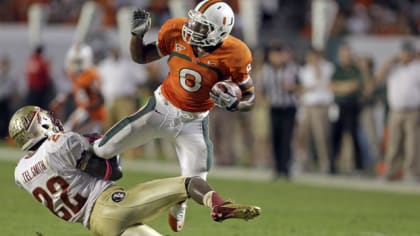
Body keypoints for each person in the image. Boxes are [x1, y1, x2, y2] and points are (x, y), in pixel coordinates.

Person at [93, 0, 256, 232]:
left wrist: (235, 104)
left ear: (220, 31)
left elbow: (250, 98)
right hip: (160, 108)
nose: (192, 29)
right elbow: (142, 57)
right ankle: (90, 185)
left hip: (194, 122)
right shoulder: (177, 30)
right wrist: (136, 36)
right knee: (102, 150)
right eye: (194, 22)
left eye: (202, 26)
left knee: (196, 179)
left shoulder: (236, 53)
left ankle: (181, 205)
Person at [9, 105, 261, 236]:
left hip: (96, 227)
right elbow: (113, 172)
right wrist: (107, 146)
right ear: (41, 124)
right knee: (189, 182)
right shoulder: (59, 144)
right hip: (110, 205)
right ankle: (218, 204)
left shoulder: (21, 173)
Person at [377, 41, 420, 182]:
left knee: (412, 143)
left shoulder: (417, 67)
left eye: (408, 53)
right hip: (396, 110)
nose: (405, 55)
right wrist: (390, 60)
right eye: (403, 52)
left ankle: (411, 172)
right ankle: (390, 171)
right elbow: (378, 76)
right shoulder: (393, 67)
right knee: (393, 142)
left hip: (413, 110)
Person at [259, 43, 300, 179]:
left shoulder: (292, 69)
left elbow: (301, 86)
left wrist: (292, 88)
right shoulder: (267, 70)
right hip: (274, 107)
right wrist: (264, 101)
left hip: (289, 108)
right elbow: (261, 88)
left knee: (286, 138)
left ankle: (286, 168)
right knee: (275, 137)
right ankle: (277, 168)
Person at [51, 43, 106, 134]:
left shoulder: (91, 74)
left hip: (94, 116)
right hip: (83, 112)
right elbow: (78, 91)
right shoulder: (75, 75)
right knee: (68, 133)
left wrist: (85, 110)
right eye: (74, 61)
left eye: (78, 62)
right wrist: (63, 98)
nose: (75, 65)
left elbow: (101, 100)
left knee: (67, 133)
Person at [297, 48, 334, 174]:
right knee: (303, 136)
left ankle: (325, 164)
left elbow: (323, 82)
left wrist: (317, 67)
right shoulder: (304, 69)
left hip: (320, 106)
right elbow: (302, 88)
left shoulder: (327, 67)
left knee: (321, 137)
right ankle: (304, 163)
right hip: (307, 106)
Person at [330, 43, 363, 174]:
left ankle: (358, 167)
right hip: (338, 107)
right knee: (335, 137)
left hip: (352, 106)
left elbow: (354, 86)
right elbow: (332, 86)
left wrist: (341, 87)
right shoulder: (337, 70)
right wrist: (345, 87)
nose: (345, 57)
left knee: (353, 136)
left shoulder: (356, 70)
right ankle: (333, 166)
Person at [0, 55, 19, 139]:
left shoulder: (11, 78)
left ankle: (5, 136)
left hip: (6, 101)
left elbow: (14, 91)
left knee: (6, 120)